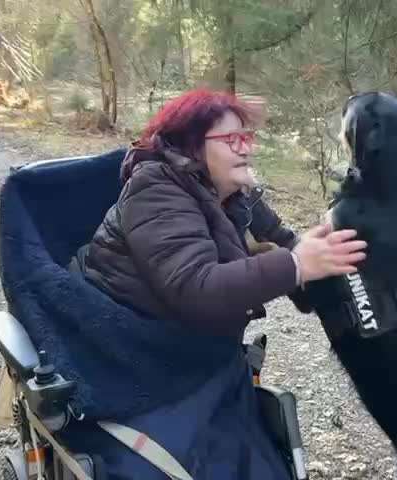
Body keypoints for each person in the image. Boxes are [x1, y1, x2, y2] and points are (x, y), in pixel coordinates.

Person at [78, 88, 366, 339]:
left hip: (188, 336)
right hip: (134, 340)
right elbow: (196, 287)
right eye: (232, 139)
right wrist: (296, 265)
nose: (246, 149)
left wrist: (330, 253)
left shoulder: (236, 193)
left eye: (247, 137)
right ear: (191, 146)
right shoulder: (156, 189)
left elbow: (287, 243)